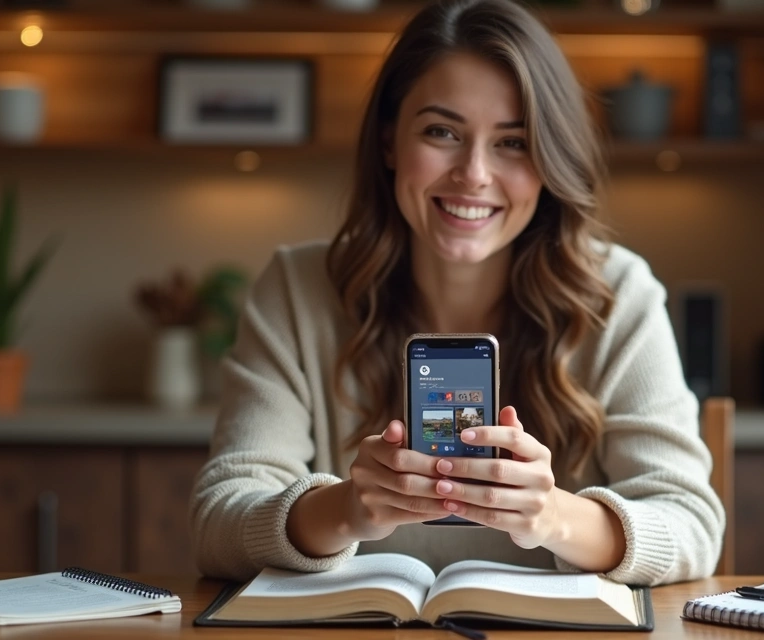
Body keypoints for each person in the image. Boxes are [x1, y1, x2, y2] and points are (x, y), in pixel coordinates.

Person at [189, 0, 724, 587]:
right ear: (390, 141)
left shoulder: (617, 294)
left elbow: (692, 527)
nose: (473, 173)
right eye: (441, 131)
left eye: (513, 142)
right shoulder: (296, 289)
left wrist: (551, 517)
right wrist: (347, 510)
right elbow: (218, 520)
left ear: (549, 161)